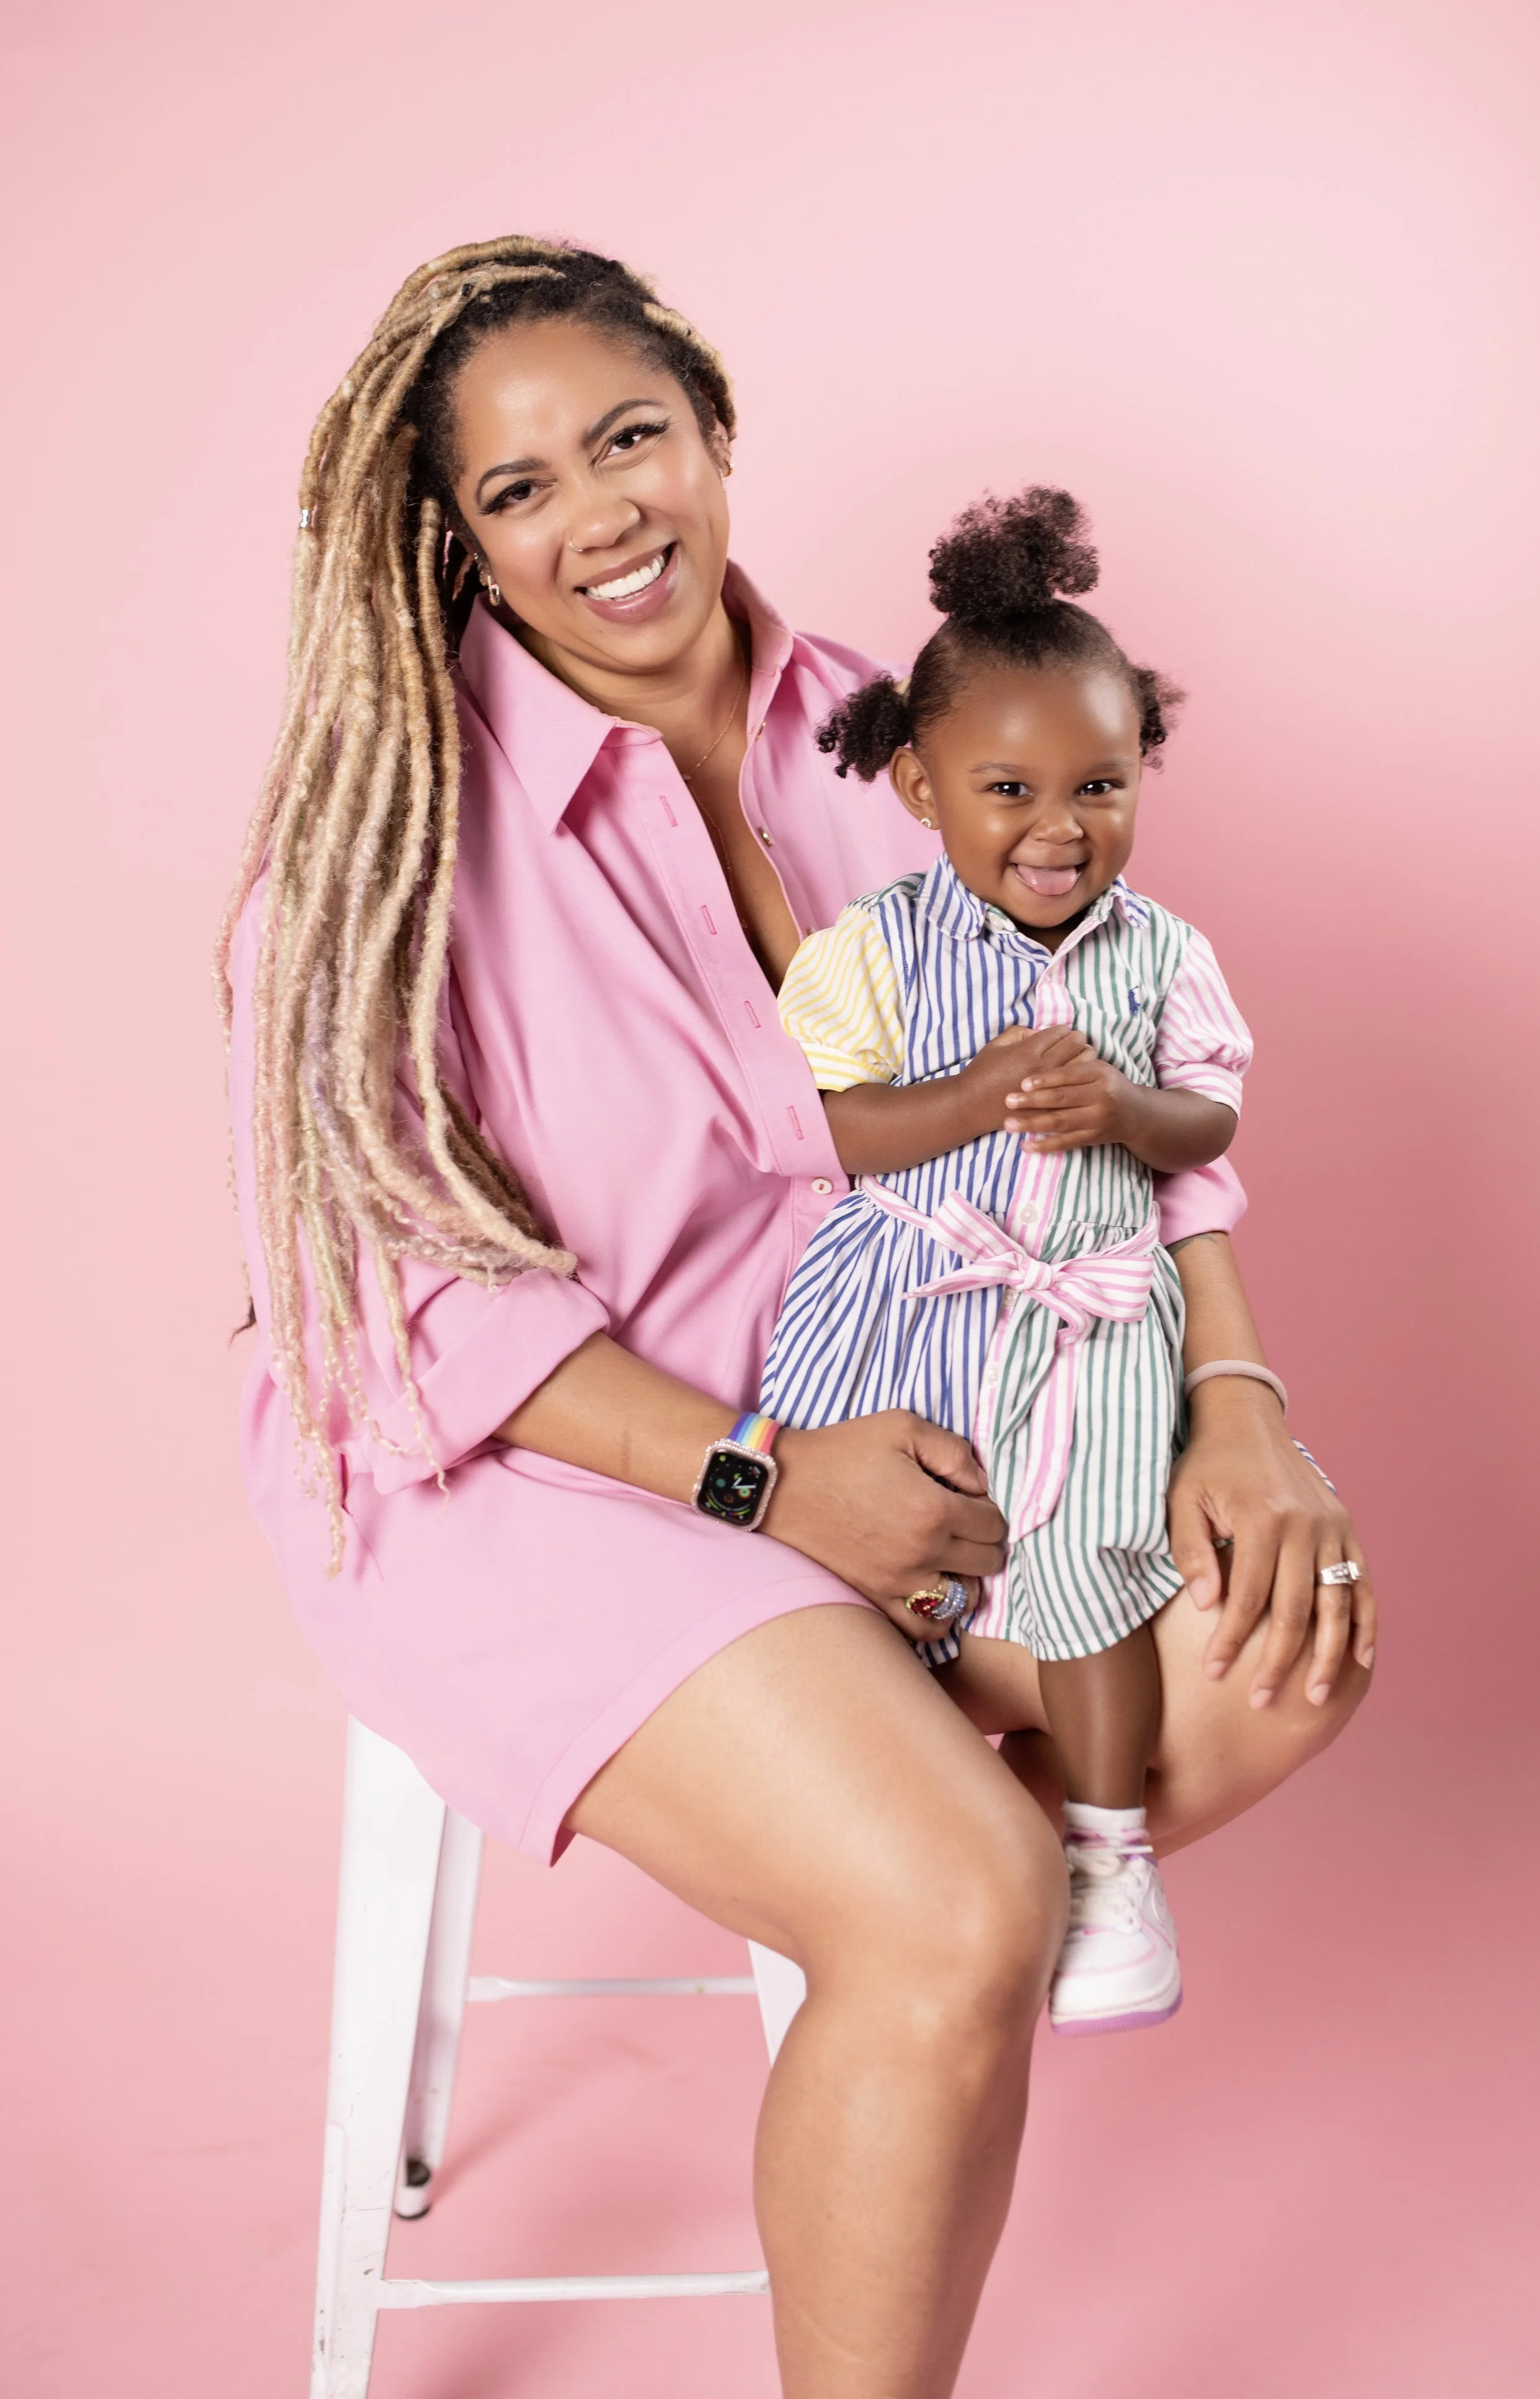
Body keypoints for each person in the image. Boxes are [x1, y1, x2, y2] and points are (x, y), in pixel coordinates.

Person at [218, 237, 1375, 2399]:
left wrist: (1236, 1394)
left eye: (631, 436)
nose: (601, 514)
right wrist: (768, 1483)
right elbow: (398, 1305)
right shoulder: (393, 830)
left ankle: (911, 1923)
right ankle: (928, 1915)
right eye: (519, 488)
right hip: (531, 1466)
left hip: (884, 1406)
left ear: (716, 429)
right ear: (454, 537)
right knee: (957, 1906)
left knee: (1290, 1628)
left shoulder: (906, 743)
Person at [761, 484, 1305, 2035]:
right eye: (1007, 787)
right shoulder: (871, 942)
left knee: (1083, 1583)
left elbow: (1205, 1123)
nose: (1058, 828)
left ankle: (1105, 1858)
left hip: (1089, 1329)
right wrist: (973, 1093)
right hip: (904, 1307)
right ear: (921, 791)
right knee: (868, 1568)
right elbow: (832, 1126)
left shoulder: (1163, 950)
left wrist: (1123, 1105)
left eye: (1100, 785)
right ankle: (873, 1843)